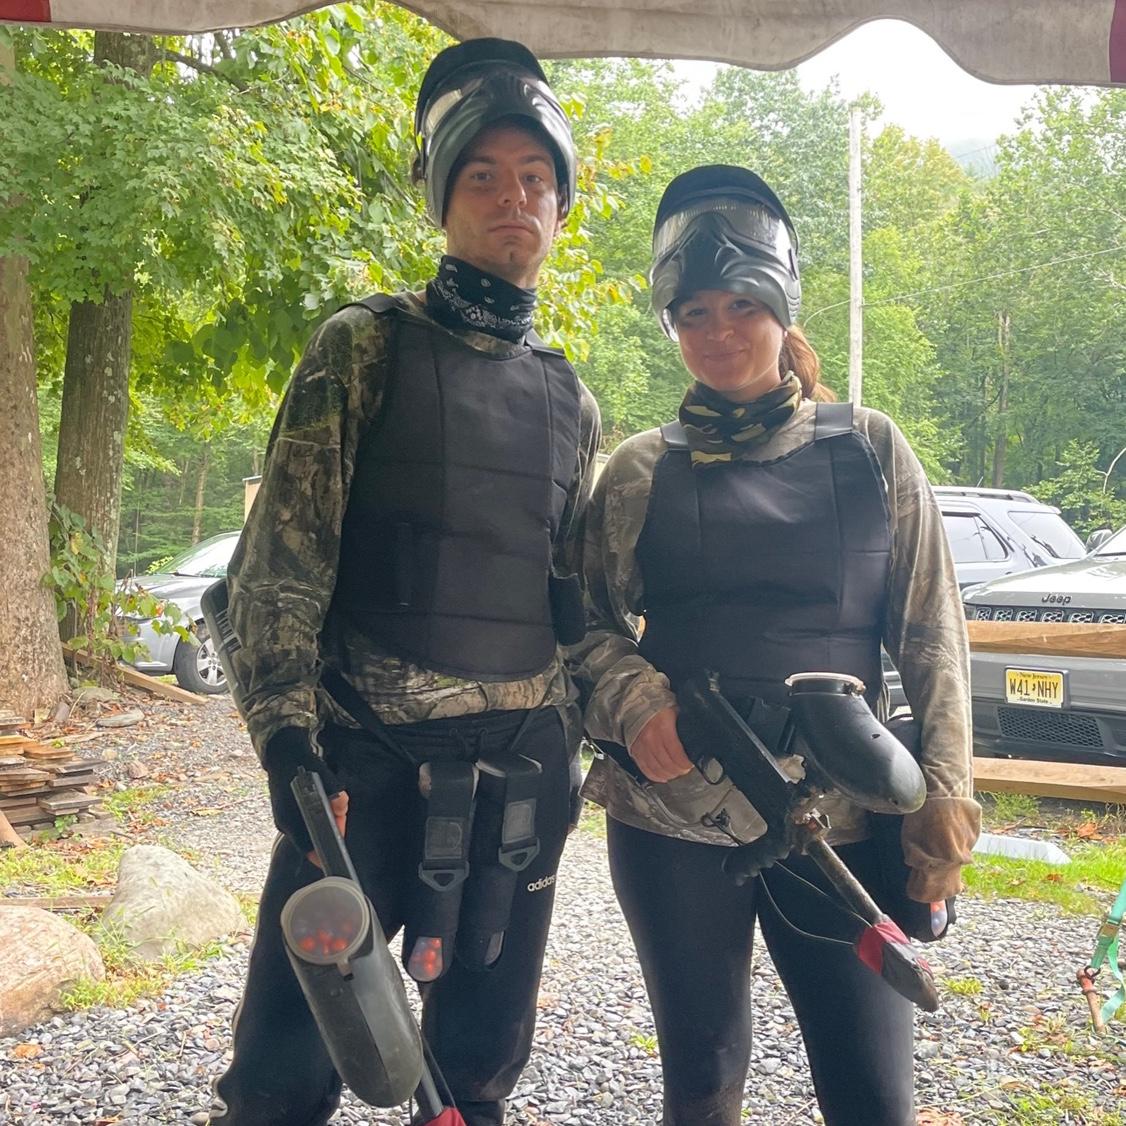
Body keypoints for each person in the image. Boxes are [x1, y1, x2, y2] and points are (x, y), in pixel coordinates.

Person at [207, 38, 600, 1126]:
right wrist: (288, 747)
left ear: (560, 205)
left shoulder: (571, 399)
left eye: (536, 178)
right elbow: (278, 569)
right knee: (283, 1072)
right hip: (359, 775)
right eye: (484, 176)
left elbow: (574, 605)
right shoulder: (361, 348)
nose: (513, 199)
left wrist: (576, 749)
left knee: (475, 1072)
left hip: (517, 786)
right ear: (442, 199)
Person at [573, 165, 981, 1126]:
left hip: (846, 815)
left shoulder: (870, 448)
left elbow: (933, 636)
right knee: (703, 1082)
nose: (718, 332)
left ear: (781, 308)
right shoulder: (638, 470)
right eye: (694, 313)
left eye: (741, 307)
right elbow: (581, 627)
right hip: (675, 818)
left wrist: (943, 808)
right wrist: (636, 704)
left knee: (872, 1094)